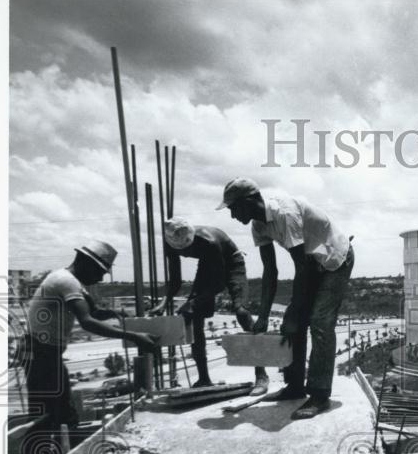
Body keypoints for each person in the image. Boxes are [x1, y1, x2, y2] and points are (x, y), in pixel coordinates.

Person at [21, 241, 159, 454]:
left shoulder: (73, 283)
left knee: (65, 416)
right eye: (100, 271)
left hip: (46, 354)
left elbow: (94, 311)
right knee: (44, 421)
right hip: (40, 355)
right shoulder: (66, 282)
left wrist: (118, 316)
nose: (102, 277)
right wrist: (133, 336)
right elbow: (87, 322)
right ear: (86, 263)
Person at [218, 178, 354, 418]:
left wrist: (293, 310)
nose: (232, 216)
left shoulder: (285, 214)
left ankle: (320, 395)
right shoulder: (258, 226)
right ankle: (294, 387)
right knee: (292, 325)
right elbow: (270, 272)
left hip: (335, 259)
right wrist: (263, 317)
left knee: (320, 323)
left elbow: (301, 267)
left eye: (233, 209)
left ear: (249, 201)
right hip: (312, 263)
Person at [148, 217, 268, 395]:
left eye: (188, 246)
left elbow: (218, 284)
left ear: (191, 236)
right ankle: (204, 378)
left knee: (241, 311)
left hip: (231, 262)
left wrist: (194, 302)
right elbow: (175, 280)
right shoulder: (170, 244)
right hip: (207, 264)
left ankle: (261, 374)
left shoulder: (208, 241)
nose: (186, 250)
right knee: (193, 317)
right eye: (183, 249)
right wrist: (164, 302)